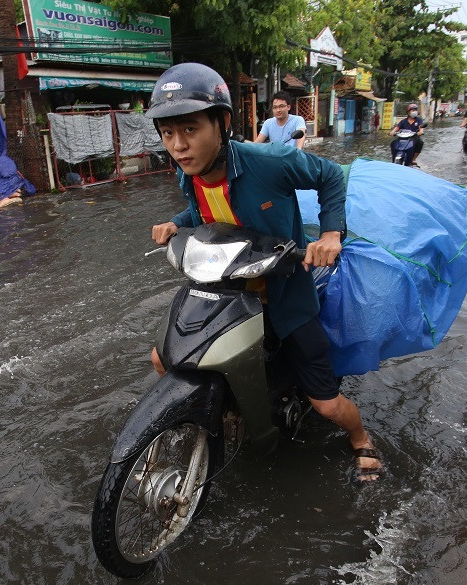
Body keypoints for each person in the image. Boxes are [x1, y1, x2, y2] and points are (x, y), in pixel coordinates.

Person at [146, 62, 380, 481]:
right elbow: (205, 212)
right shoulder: (190, 174)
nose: (179, 146)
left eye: (190, 130)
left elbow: (329, 177)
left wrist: (329, 234)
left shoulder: (268, 161)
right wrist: (177, 223)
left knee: (325, 403)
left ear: (222, 124)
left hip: (286, 296)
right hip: (230, 294)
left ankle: (361, 436)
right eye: (168, 134)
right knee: (163, 358)